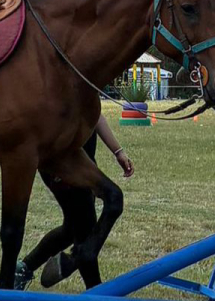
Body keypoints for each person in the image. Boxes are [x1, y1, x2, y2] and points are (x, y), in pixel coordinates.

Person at [14, 114, 135, 290]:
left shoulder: (84, 88)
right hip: (62, 165)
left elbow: (96, 115)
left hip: (84, 164)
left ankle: (23, 269)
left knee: (72, 229)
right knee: (85, 228)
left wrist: (118, 152)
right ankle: (95, 293)